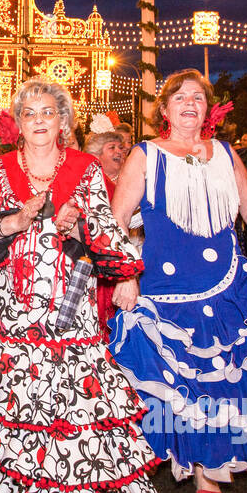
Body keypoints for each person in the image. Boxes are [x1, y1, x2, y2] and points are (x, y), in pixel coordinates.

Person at [0, 77, 172, 493]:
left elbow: (108, 229)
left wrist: (78, 224)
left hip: (70, 308)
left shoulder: (86, 168)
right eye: (30, 113)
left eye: (49, 112)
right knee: (24, 409)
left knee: (76, 415)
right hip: (13, 311)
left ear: (64, 121)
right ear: (17, 123)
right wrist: (14, 222)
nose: (40, 120)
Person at [110, 70, 247, 493]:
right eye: (180, 97)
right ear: (164, 110)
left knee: (221, 380)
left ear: (209, 111)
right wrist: (125, 274)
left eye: (199, 99)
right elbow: (117, 219)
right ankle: (146, 464)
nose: (190, 103)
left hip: (225, 282)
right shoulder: (145, 155)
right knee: (172, 381)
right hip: (165, 288)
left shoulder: (224, 153)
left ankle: (208, 466)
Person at [84, 121, 136, 339]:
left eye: (120, 148)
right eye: (111, 148)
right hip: (98, 259)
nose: (119, 152)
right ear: (96, 156)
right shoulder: (89, 183)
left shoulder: (130, 180)